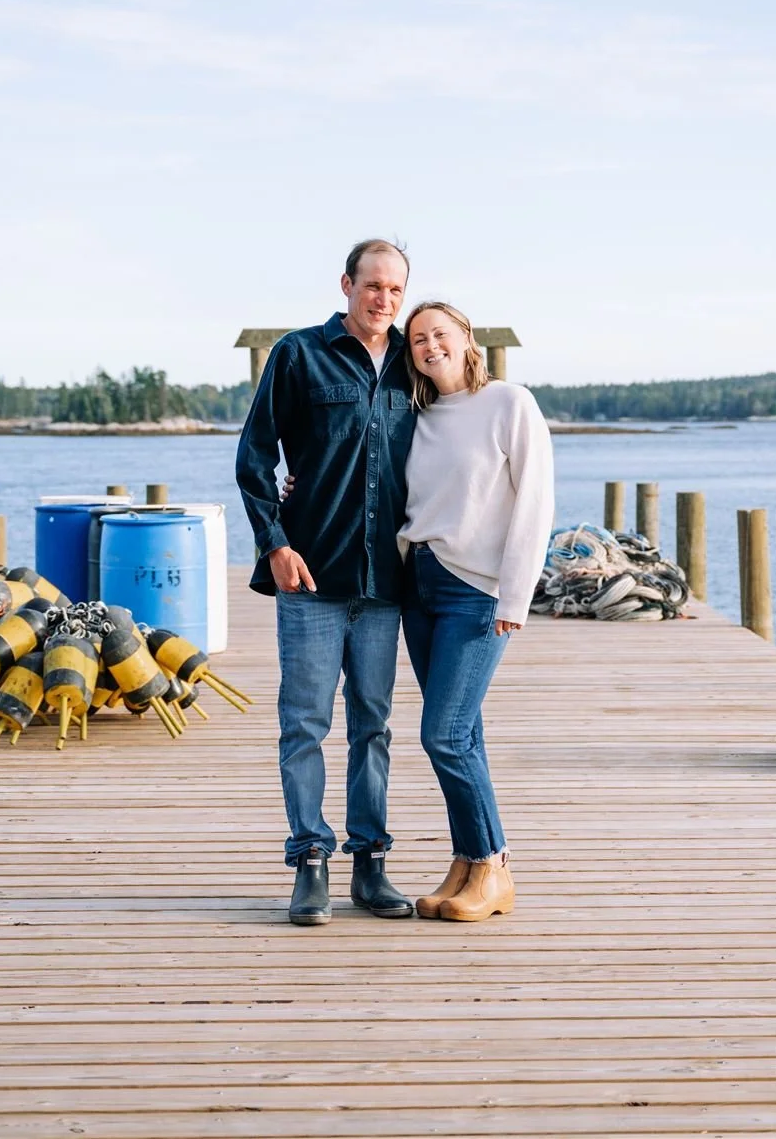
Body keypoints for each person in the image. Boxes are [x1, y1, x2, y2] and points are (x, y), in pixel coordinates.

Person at [235, 239, 419, 926]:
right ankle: (310, 860)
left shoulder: (414, 364)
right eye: (373, 285)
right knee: (305, 724)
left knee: (373, 725)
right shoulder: (297, 354)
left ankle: (370, 863)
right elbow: (255, 456)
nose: (384, 299)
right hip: (310, 577)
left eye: (396, 290)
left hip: (385, 581)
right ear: (347, 284)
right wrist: (274, 543)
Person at [394, 300, 555, 922]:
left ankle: (493, 865)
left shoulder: (511, 403)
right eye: (416, 340)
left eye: (439, 333)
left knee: (443, 733)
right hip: (420, 586)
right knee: (465, 732)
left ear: (465, 339)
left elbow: (535, 503)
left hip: (477, 590)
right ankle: (466, 864)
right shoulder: (418, 415)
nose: (429, 345)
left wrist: (516, 594)